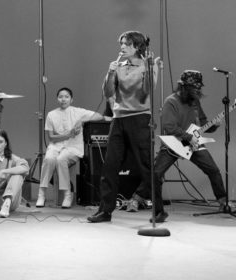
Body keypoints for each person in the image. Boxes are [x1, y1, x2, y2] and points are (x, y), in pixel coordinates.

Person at [88, 30, 160, 223]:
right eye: (121, 43)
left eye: (126, 44)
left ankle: (159, 210)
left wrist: (148, 67)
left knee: (146, 167)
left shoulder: (148, 64)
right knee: (109, 166)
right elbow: (108, 93)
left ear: (137, 46)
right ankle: (105, 211)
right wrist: (110, 72)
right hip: (118, 119)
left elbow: (148, 91)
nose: (122, 47)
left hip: (140, 118)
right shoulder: (118, 66)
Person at [140, 70, 228, 222]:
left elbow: (203, 123)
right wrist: (188, 137)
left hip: (193, 143)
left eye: (198, 88)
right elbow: (169, 127)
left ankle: (223, 202)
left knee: (213, 170)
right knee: (156, 175)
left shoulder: (195, 101)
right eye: (194, 88)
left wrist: (215, 125)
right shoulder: (171, 101)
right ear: (183, 86)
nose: (197, 91)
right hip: (174, 143)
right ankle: (158, 212)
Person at [36, 87, 109, 208]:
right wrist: (68, 135)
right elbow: (51, 137)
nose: (63, 99)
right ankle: (41, 194)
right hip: (55, 146)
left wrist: (81, 121)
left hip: (73, 147)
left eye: (66, 97)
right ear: (57, 99)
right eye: (60, 97)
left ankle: (67, 195)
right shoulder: (51, 114)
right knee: (49, 159)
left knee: (61, 159)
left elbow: (99, 116)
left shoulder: (78, 112)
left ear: (71, 99)